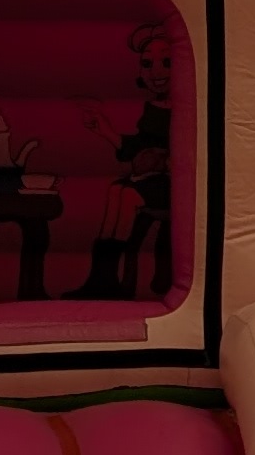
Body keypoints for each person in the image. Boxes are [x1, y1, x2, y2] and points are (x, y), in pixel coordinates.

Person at [75, 23, 179, 301]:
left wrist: (166, 161)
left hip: (173, 184)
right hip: (151, 178)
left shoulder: (186, 107)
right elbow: (139, 147)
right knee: (116, 190)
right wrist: (107, 131)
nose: (156, 72)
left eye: (167, 62)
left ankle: (110, 278)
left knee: (128, 195)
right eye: (148, 64)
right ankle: (101, 279)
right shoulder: (153, 107)